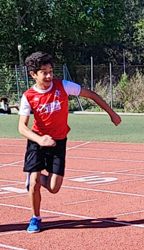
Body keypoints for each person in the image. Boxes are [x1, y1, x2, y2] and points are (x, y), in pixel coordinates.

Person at [18, 52, 121, 233]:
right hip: (37, 140)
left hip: (59, 141)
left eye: (51, 71)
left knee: (53, 187)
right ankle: (35, 217)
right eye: (44, 72)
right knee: (34, 182)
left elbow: (92, 95)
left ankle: (33, 178)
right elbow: (22, 127)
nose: (49, 76)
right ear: (33, 74)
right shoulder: (28, 96)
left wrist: (111, 113)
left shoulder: (63, 86)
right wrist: (39, 139)